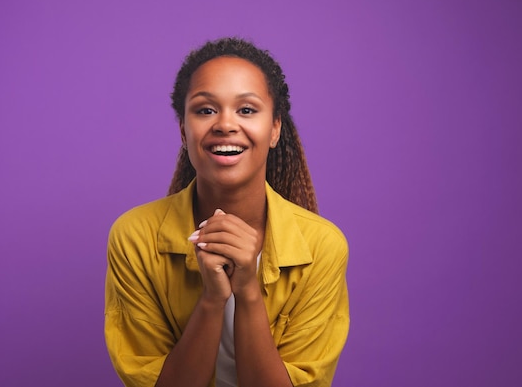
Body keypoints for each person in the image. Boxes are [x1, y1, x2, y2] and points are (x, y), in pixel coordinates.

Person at [105, 37, 349, 387]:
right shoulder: (134, 237)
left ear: (275, 128)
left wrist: (247, 289)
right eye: (205, 110)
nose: (225, 124)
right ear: (184, 132)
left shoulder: (323, 246)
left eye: (247, 110)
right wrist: (212, 299)